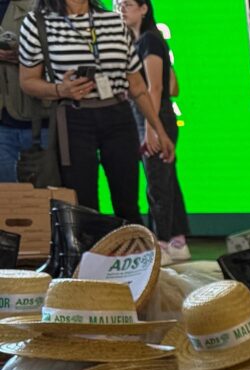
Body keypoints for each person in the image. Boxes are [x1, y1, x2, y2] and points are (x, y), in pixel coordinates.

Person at [18, 0, 174, 222]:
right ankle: (90, 245)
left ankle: (130, 243)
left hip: (118, 113)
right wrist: (60, 89)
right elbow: (27, 81)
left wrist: (159, 130)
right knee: (84, 205)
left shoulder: (113, 21)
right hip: (73, 118)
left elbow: (137, 86)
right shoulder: (38, 22)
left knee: (128, 203)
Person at [117, 0, 190, 264]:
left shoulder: (149, 40)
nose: (121, 9)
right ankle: (177, 241)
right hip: (150, 118)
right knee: (167, 181)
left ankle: (160, 244)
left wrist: (151, 128)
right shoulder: (136, 42)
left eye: (127, 4)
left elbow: (157, 88)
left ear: (144, 8)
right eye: (117, 4)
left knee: (158, 184)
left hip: (155, 119)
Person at [0, 0, 50, 183]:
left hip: (37, 120)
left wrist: (26, 56)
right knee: (6, 197)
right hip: (3, 122)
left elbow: (62, 54)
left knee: (45, 193)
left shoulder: (41, 6)